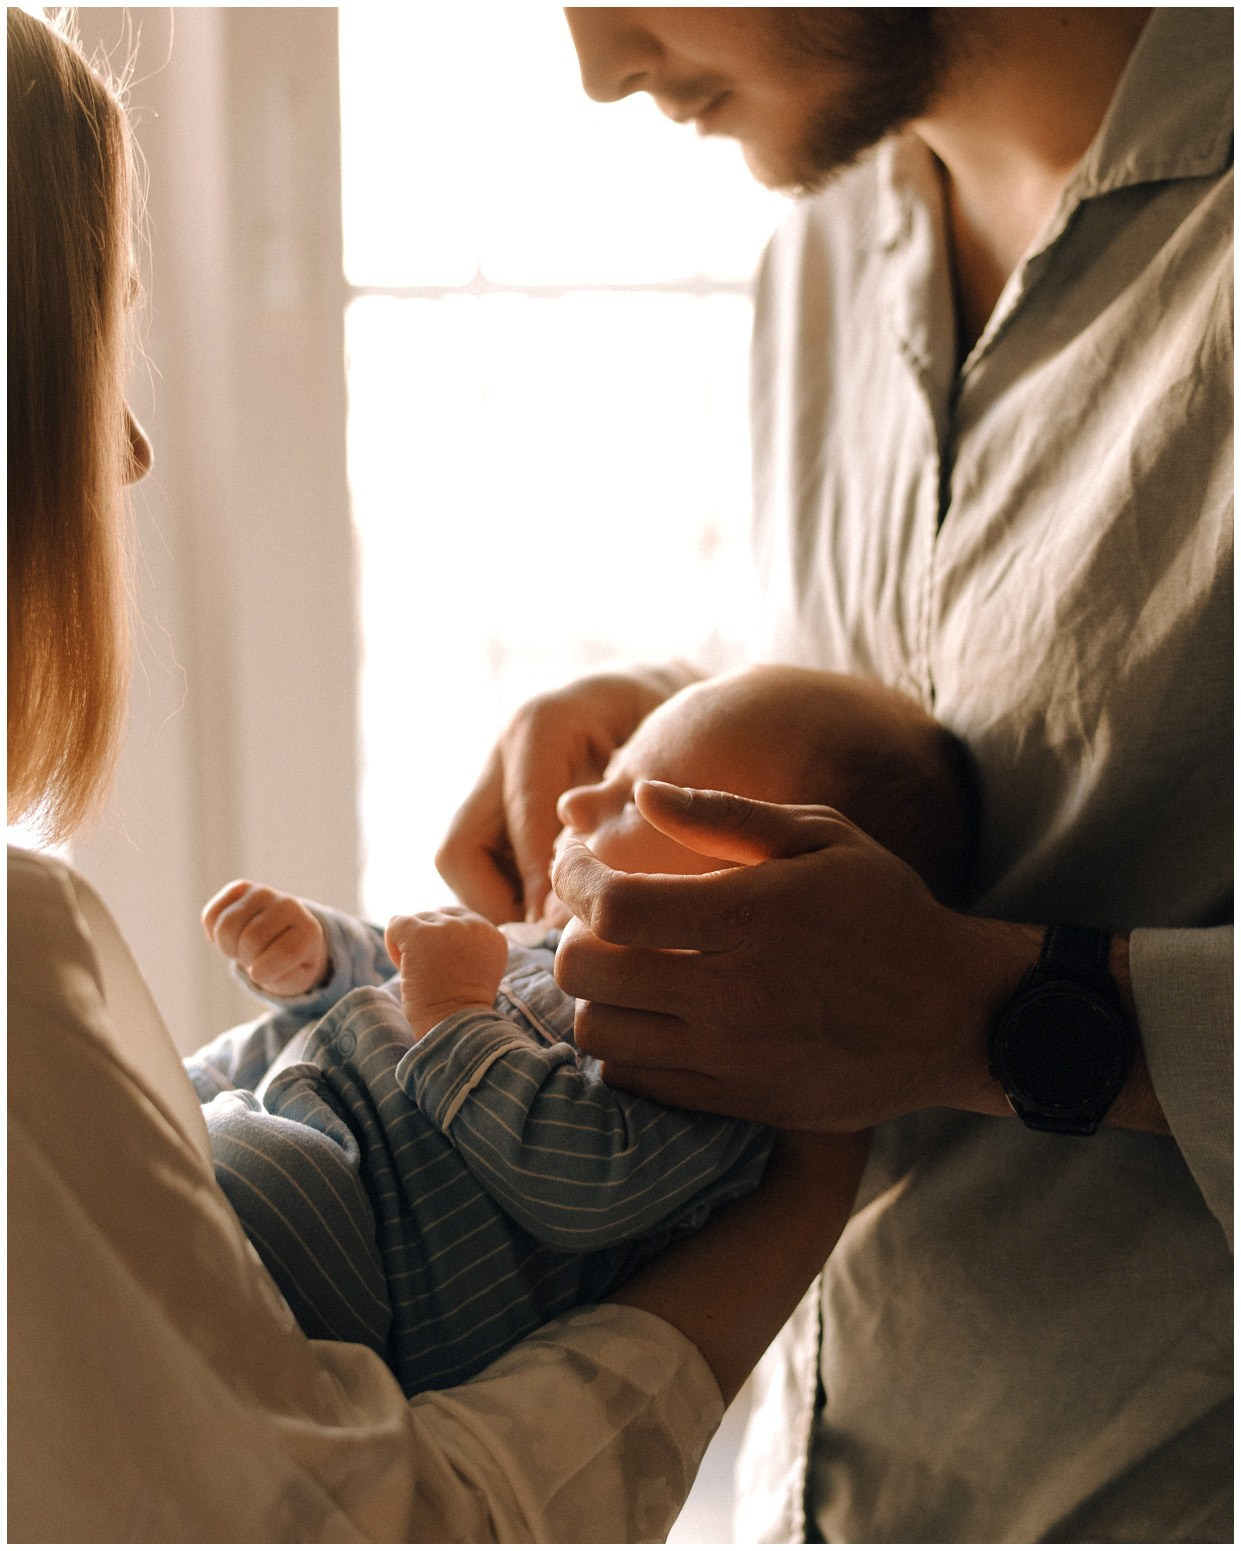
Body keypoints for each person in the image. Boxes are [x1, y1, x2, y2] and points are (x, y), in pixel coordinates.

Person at [6, 10, 870, 1540]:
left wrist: (413, 985)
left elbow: (503, 1105)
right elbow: (347, 1520)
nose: (129, 453)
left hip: (320, 1216)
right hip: (291, 1160)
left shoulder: (678, 1075)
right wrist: (354, 963)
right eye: (97, 352)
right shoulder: (23, 965)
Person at [437, 8, 1233, 1542]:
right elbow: (1035, 728)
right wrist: (688, 718)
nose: (601, 64)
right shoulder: (827, 236)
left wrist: (1003, 1014)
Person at [190, 665, 973, 1399]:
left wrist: (456, 1012)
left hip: (351, 1244)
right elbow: (399, 973)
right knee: (163, 1076)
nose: (573, 805)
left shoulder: (713, 1072)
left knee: (238, 1170)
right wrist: (317, 956)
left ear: (767, 914)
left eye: (632, 796)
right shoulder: (544, 942)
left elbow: (578, 1185)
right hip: (278, 1107)